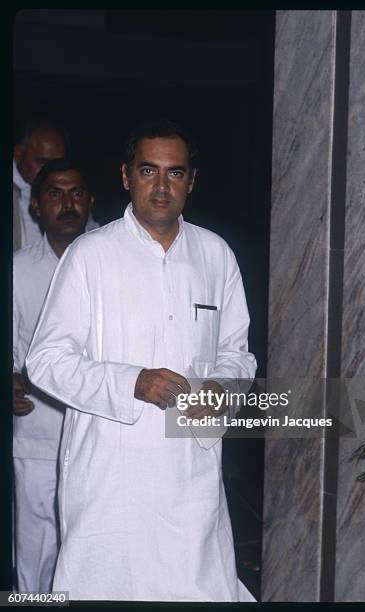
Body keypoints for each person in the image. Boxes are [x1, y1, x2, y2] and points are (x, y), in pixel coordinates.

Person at [26, 119, 257, 601]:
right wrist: (133, 382)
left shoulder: (216, 255)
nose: (161, 185)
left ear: (191, 181)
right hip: (112, 479)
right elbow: (46, 361)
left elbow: (238, 354)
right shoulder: (91, 255)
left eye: (175, 173)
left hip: (191, 478)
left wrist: (224, 390)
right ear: (126, 176)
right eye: (149, 170)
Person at [13, 159, 94, 592]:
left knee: (93, 560)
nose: (67, 203)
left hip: (101, 442)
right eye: (55, 194)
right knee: (34, 565)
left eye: (77, 193)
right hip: (38, 440)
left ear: (90, 201)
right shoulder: (16, 270)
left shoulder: (108, 264)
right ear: (37, 208)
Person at [13, 118, 99, 249]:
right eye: (42, 162)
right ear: (18, 154)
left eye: (59, 162)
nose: (52, 170)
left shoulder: (70, 191)